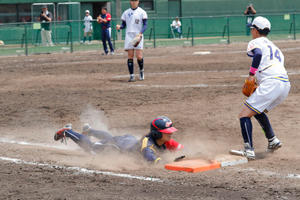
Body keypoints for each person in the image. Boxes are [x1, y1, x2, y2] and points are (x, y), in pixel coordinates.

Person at [231, 16, 290, 160]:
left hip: (272, 83)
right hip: (284, 84)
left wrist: (251, 75)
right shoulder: (275, 47)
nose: (251, 31)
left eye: (252, 28)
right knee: (257, 110)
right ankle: (272, 140)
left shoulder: (255, 42)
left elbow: (257, 54)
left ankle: (248, 150)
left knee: (244, 115)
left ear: (256, 30)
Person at [53, 116, 183, 164]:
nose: (170, 134)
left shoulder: (165, 140)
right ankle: (67, 131)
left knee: (111, 138)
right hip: (117, 148)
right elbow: (151, 158)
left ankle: (90, 131)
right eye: (167, 132)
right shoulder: (147, 144)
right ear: (156, 134)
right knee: (92, 147)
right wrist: (168, 162)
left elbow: (181, 150)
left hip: (127, 141)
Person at [116, 0, 148, 82]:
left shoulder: (142, 12)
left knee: (139, 56)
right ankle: (132, 76)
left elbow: (145, 25)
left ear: (138, 1)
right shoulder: (126, 12)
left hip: (138, 35)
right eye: (132, 0)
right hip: (129, 35)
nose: (134, 2)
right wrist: (120, 27)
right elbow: (124, 25)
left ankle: (141, 71)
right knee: (130, 56)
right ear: (130, 2)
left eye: (135, 0)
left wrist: (140, 33)